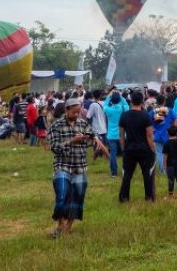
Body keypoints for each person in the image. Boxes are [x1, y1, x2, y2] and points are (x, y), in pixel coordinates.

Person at [48, 99, 109, 238]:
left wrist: (90, 141)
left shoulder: (83, 124)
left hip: (79, 166)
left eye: (78, 112)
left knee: (78, 197)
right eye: (74, 112)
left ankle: (68, 226)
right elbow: (54, 148)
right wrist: (71, 141)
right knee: (62, 194)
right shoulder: (56, 125)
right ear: (66, 110)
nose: (76, 115)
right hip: (62, 165)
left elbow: (93, 139)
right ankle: (60, 225)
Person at [118, 91, 156, 203]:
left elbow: (121, 134)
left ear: (131, 101)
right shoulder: (146, 115)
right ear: (142, 101)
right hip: (144, 149)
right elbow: (149, 134)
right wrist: (152, 149)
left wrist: (124, 148)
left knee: (127, 175)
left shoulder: (124, 115)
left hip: (130, 148)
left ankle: (124, 197)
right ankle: (149, 198)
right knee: (147, 174)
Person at [103, 90, 129, 177]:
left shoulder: (109, 110)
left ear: (111, 101)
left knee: (113, 154)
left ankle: (114, 172)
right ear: (119, 100)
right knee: (124, 153)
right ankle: (125, 170)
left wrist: (109, 96)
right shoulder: (122, 108)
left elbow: (104, 106)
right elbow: (126, 105)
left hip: (111, 135)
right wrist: (120, 96)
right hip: (122, 135)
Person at [86, 90, 108, 162]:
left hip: (96, 128)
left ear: (93, 96)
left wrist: (88, 127)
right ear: (100, 95)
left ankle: (95, 159)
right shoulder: (105, 103)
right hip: (104, 128)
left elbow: (88, 117)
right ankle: (103, 158)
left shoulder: (93, 105)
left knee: (97, 145)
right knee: (103, 145)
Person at [162, 126, 177, 198]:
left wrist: (164, 164)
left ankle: (170, 195)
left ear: (168, 133)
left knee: (171, 179)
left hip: (170, 164)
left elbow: (165, 155)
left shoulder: (166, 143)